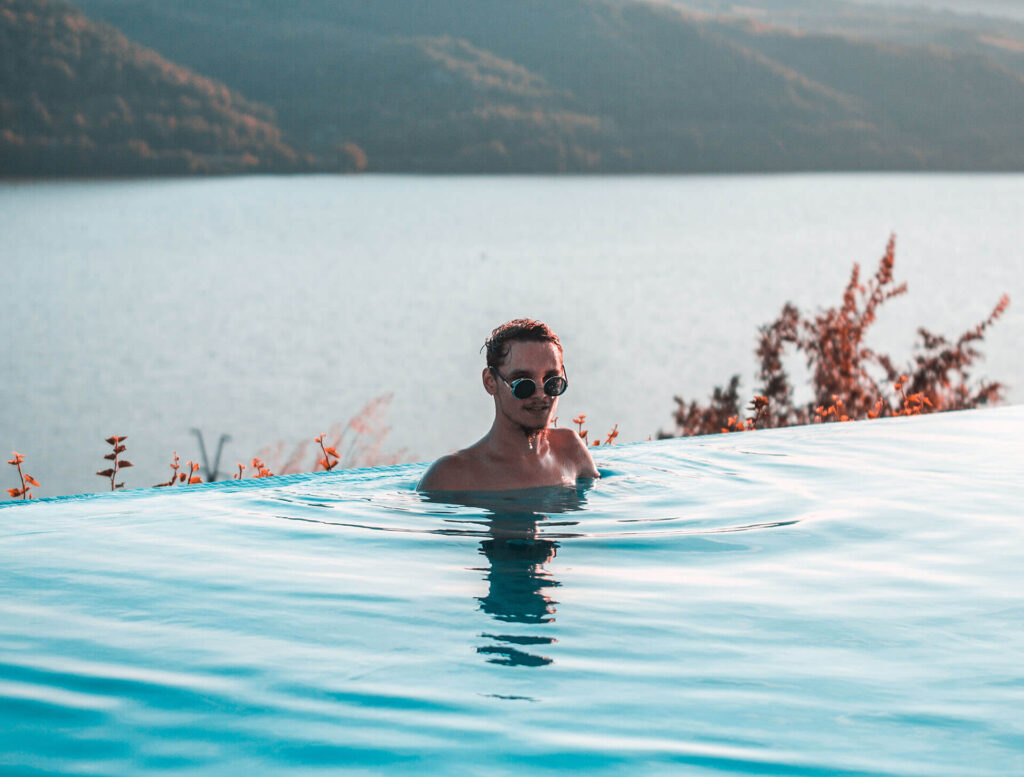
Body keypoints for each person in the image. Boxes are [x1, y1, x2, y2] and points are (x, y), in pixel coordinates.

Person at [417, 319, 600, 492]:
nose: (541, 394)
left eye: (551, 381)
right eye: (523, 383)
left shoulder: (570, 450)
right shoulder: (451, 476)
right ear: (490, 382)